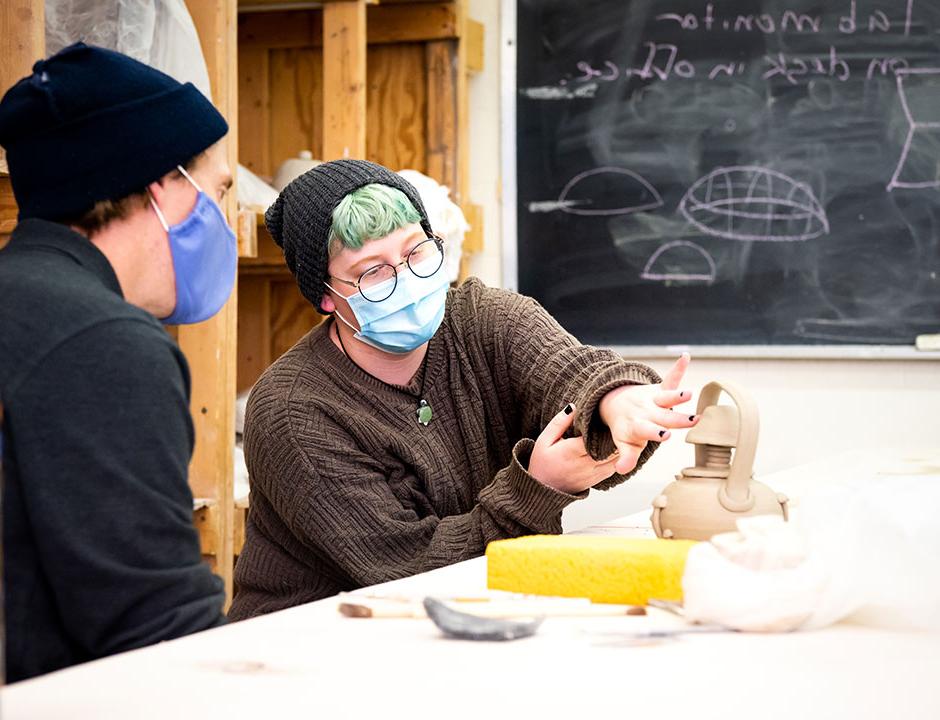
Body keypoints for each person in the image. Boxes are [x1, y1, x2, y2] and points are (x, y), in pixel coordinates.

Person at [229, 160, 698, 620]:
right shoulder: (294, 411)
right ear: (327, 296)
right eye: (373, 272)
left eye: (416, 252)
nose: (406, 280)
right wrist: (537, 489)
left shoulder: (482, 317)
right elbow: (410, 570)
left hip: (459, 619)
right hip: (310, 645)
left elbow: (569, 370)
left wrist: (617, 402)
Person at [0, 43, 236, 682]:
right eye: (216, 190)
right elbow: (159, 636)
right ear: (161, 185)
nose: (224, 219)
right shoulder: (101, 342)